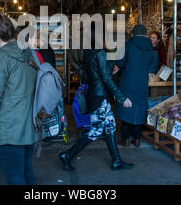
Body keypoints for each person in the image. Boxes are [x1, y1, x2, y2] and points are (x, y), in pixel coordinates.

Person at [59, 22, 134, 171]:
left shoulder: (89, 51)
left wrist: (107, 70)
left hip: (95, 94)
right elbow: (105, 79)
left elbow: (91, 74)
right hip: (99, 96)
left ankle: (117, 161)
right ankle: (67, 155)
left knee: (110, 126)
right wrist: (122, 98)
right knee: (96, 131)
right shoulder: (100, 52)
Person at [0, 12, 39, 185]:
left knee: (15, 177)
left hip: (8, 128)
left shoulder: (0, 58)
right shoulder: (28, 53)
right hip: (28, 125)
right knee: (26, 172)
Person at [115, 24, 160, 147]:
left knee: (127, 106)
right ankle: (137, 138)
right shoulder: (150, 47)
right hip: (143, 81)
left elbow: (119, 61)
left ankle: (125, 139)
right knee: (139, 107)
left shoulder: (128, 45)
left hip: (129, 80)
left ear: (133, 33)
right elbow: (153, 64)